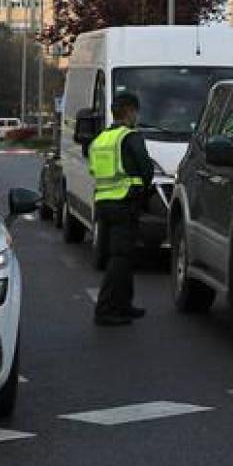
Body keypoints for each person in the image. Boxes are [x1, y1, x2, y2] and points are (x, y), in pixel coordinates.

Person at [87, 92, 158, 326]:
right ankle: (105, 309)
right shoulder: (130, 137)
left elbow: (94, 171)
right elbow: (146, 169)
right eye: (136, 112)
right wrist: (143, 190)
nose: (137, 116)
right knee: (120, 258)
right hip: (125, 204)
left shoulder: (101, 139)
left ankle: (124, 305)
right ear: (129, 111)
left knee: (122, 257)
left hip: (104, 204)